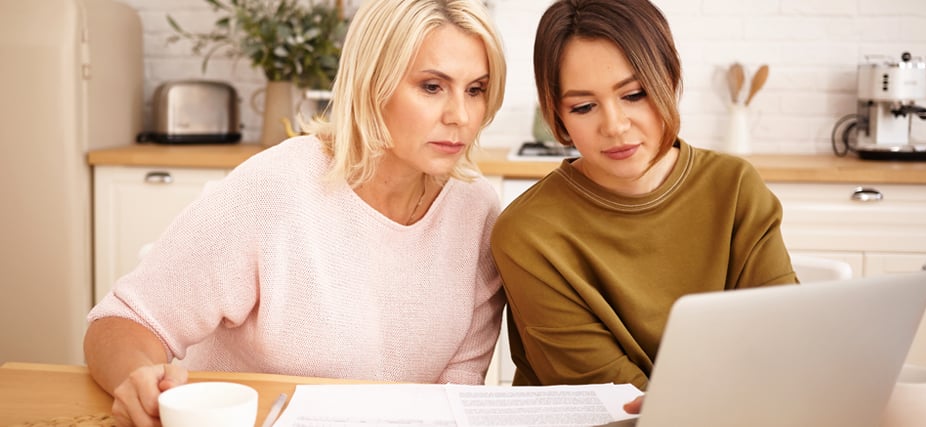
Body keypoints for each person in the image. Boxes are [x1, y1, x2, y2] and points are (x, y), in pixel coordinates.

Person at [84, 0, 507, 425]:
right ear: (371, 83)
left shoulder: (477, 211)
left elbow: (455, 396)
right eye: (432, 87)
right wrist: (137, 378)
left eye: (476, 89)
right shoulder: (274, 188)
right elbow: (126, 320)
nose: (462, 116)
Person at [490, 0, 797, 402]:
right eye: (583, 107)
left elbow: (787, 338)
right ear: (558, 116)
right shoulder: (527, 233)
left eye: (634, 94)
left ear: (669, 77)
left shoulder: (735, 186)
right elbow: (614, 401)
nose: (615, 126)